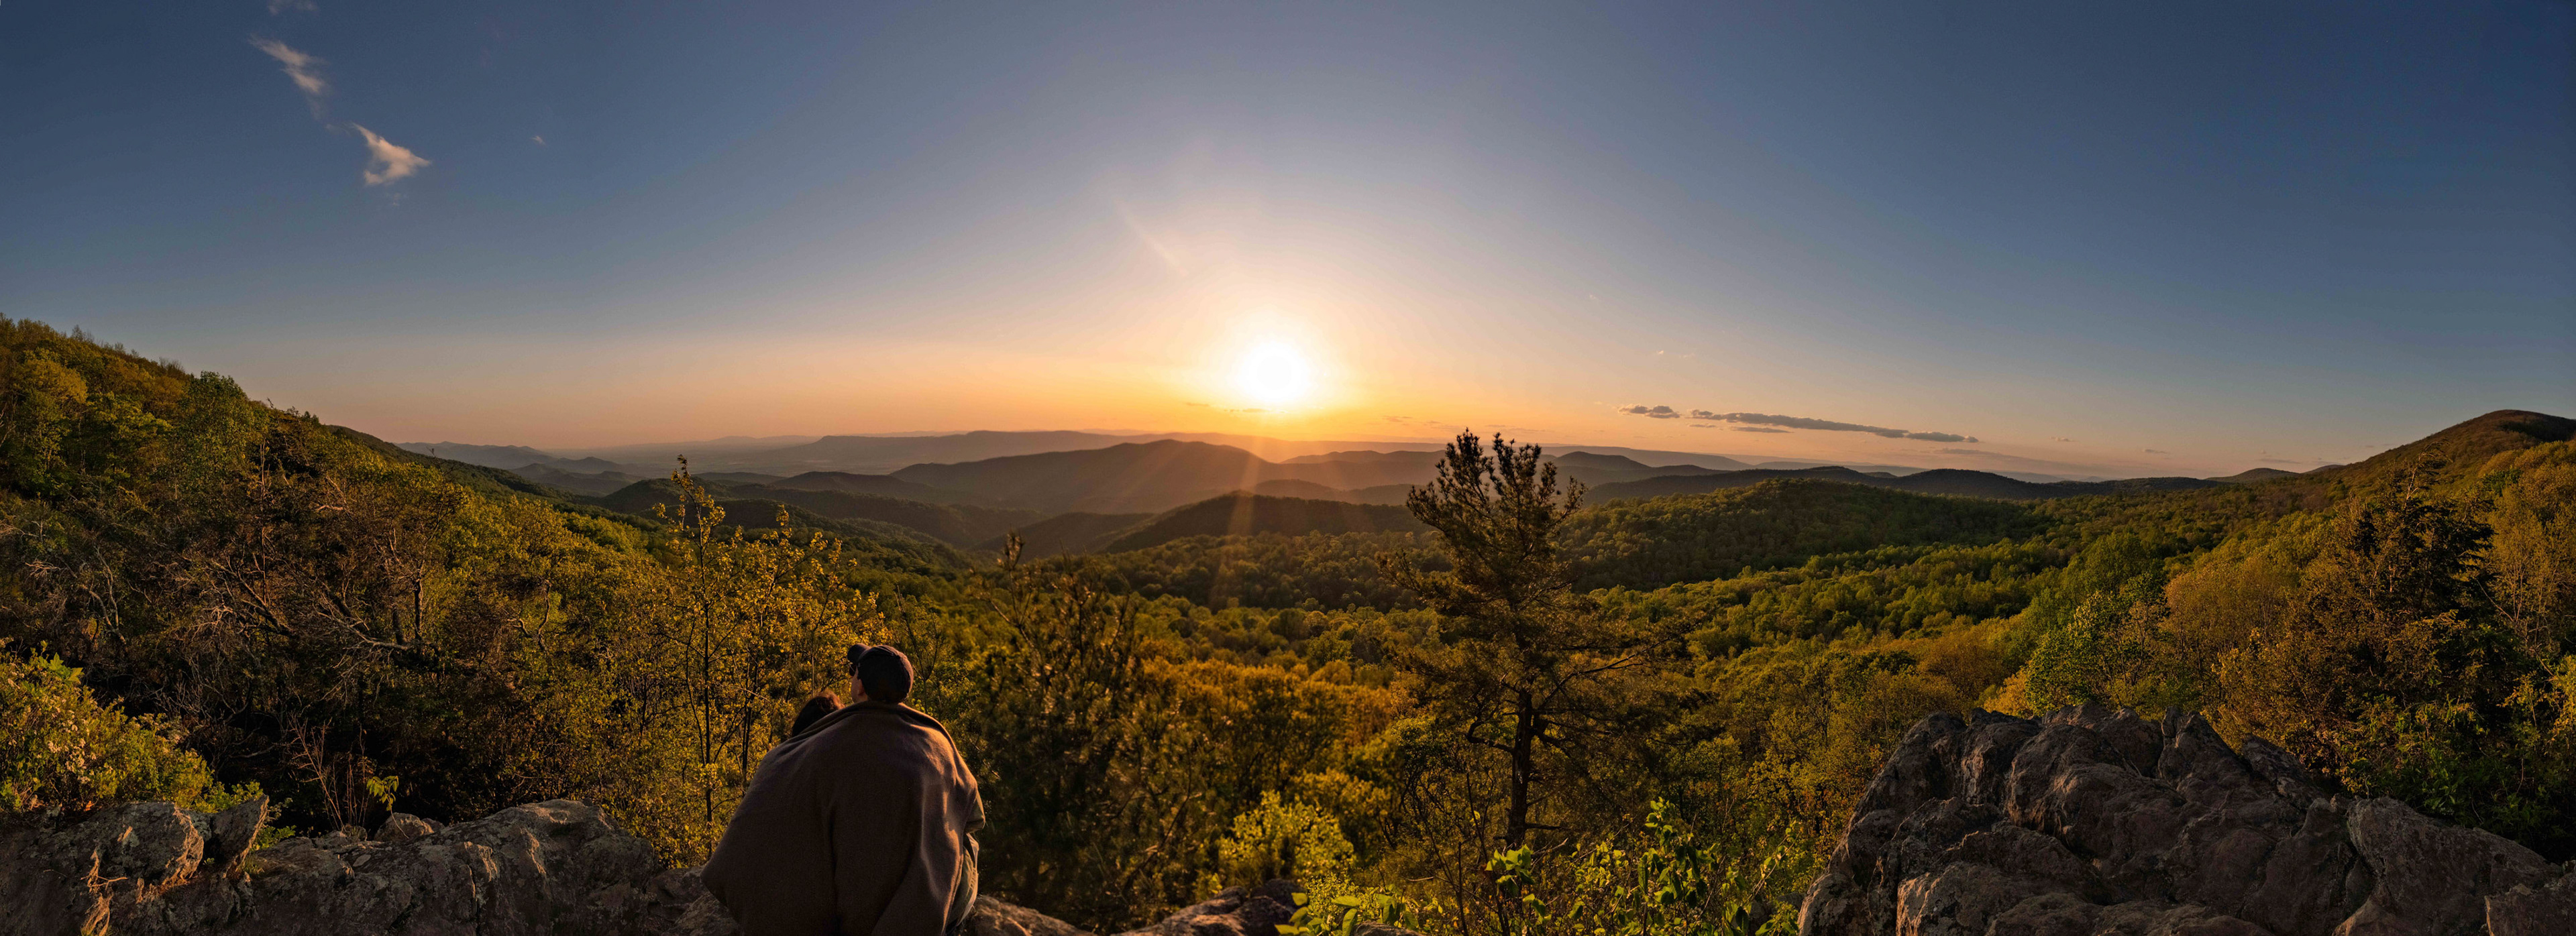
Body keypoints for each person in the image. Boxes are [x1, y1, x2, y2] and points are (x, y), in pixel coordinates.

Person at [703, 644, 984, 936]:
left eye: (854, 673)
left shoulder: (822, 746)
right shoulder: (936, 744)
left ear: (860, 686)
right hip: (925, 906)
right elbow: (972, 814)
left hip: (846, 906)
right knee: (965, 842)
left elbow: (765, 813)